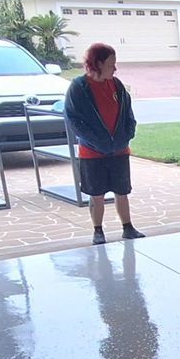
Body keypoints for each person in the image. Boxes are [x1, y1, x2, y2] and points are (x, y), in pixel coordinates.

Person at [63, 42, 145, 244]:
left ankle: (128, 227)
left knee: (122, 191)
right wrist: (97, 143)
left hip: (119, 150)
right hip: (92, 153)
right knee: (96, 194)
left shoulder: (116, 85)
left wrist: (126, 135)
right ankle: (98, 231)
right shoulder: (78, 88)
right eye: (111, 64)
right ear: (98, 63)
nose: (114, 69)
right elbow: (74, 121)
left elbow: (128, 114)